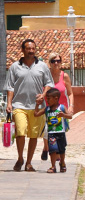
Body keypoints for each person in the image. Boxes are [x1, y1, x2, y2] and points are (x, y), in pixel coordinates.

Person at [4, 38, 53, 172]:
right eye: (28, 48)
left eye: (33, 48)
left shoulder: (42, 66)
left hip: (37, 107)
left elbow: (49, 83)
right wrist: (9, 103)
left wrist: (43, 95)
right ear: (23, 50)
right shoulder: (15, 67)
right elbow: (10, 86)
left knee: (33, 135)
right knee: (20, 131)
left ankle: (29, 163)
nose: (31, 51)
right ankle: (20, 158)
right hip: (19, 105)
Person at [34, 87, 71, 174]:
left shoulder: (62, 107)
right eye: (47, 99)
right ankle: (53, 166)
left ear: (56, 98)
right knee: (52, 150)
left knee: (62, 150)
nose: (47, 101)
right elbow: (36, 114)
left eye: (49, 99)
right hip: (51, 134)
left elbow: (70, 116)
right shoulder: (47, 109)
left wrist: (64, 115)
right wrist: (37, 105)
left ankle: (62, 163)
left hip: (60, 132)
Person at [47, 53, 74, 131]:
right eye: (53, 61)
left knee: (61, 134)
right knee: (47, 135)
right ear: (50, 63)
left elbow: (70, 93)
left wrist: (71, 106)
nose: (56, 63)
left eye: (58, 61)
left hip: (61, 110)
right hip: (48, 110)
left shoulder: (64, 76)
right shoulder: (45, 76)